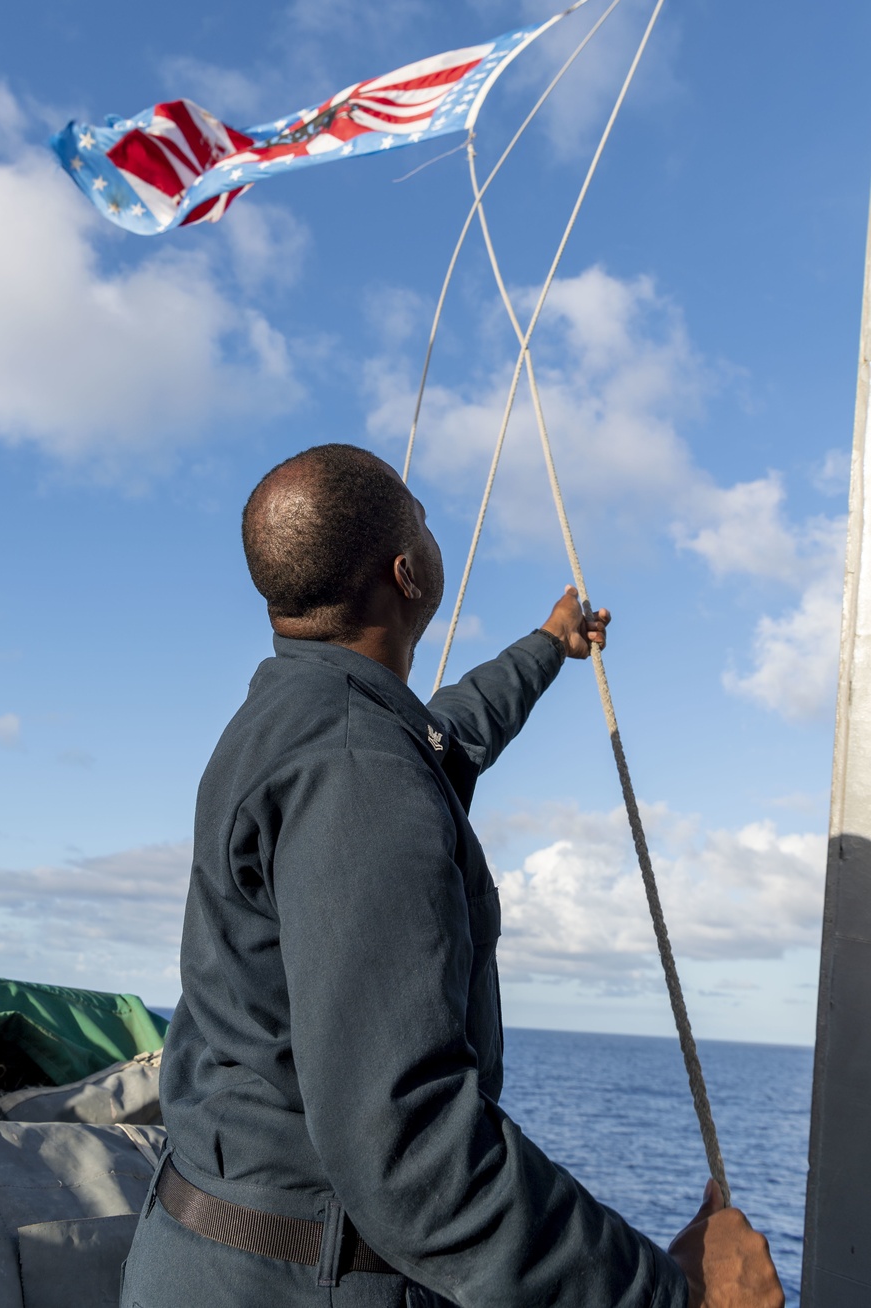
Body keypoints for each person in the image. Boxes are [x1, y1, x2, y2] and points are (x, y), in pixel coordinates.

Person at [121, 443, 783, 1308]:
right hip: (299, 1282)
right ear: (409, 572)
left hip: (209, 1256)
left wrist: (547, 649)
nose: (434, 531)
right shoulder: (358, 770)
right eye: (424, 520)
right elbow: (409, 1151)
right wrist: (673, 1294)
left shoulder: (292, 716)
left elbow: (444, 738)